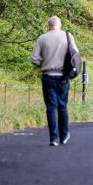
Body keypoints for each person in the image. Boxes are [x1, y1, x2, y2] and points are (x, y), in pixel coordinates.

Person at [31, 16, 80, 146]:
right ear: (60, 25)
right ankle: (64, 135)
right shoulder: (68, 36)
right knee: (62, 106)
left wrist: (45, 62)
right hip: (63, 76)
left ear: (48, 26)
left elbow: (34, 59)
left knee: (51, 107)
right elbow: (75, 54)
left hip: (48, 76)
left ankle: (53, 138)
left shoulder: (42, 38)